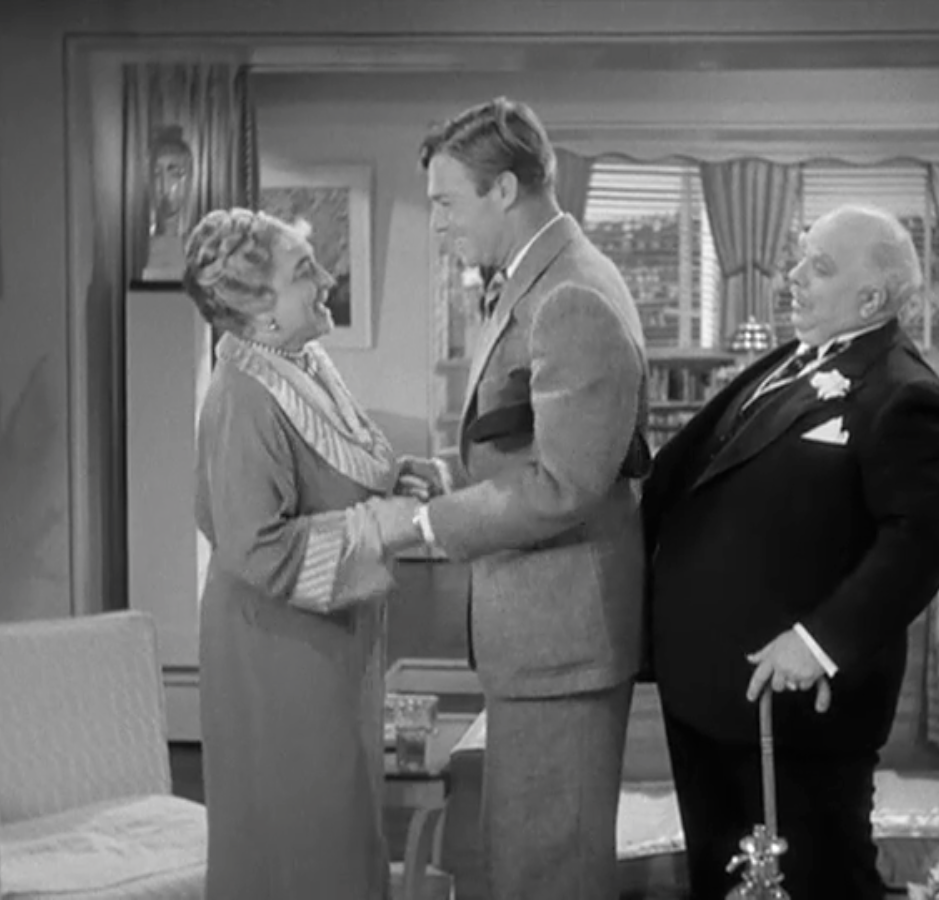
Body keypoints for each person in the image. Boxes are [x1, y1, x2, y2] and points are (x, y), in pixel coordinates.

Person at [641, 205, 939, 900]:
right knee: (723, 882)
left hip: (792, 710)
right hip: (708, 694)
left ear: (871, 300)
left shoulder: (905, 395)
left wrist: (819, 643)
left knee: (818, 882)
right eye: (799, 257)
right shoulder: (793, 359)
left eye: (818, 266)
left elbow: (921, 541)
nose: (792, 276)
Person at [400, 97, 650, 900]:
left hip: (563, 637)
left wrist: (426, 524)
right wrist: (449, 475)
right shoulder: (534, 279)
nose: (439, 223)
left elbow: (566, 483)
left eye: (447, 203)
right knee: (523, 863)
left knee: (548, 874)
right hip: (540, 638)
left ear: (504, 189)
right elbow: (529, 441)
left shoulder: (571, 294)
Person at [184, 208, 424, 900]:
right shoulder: (243, 397)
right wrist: (383, 526)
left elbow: (335, 476)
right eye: (303, 272)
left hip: (326, 640)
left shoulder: (301, 361)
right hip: (276, 650)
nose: (326, 278)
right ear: (260, 311)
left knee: (342, 826)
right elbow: (256, 547)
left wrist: (402, 482)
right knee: (309, 837)